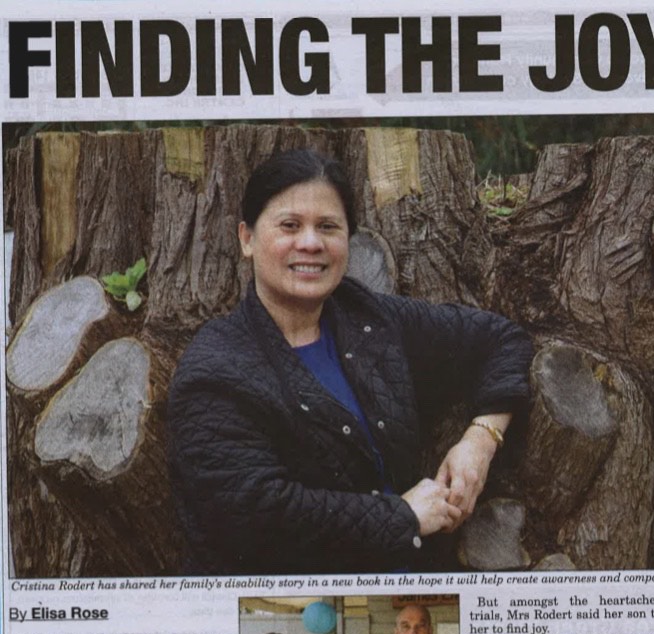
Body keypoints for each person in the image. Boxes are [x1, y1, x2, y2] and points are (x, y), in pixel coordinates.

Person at [168, 147, 532, 574]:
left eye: (328, 227)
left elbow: (501, 338)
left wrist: (481, 440)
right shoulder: (215, 371)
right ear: (246, 238)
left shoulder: (368, 319)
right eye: (289, 225)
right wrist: (403, 517)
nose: (310, 242)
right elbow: (256, 515)